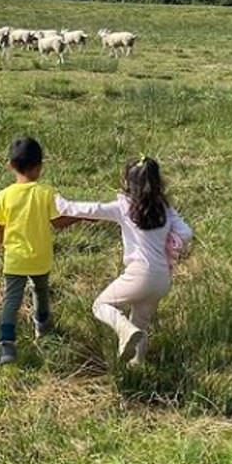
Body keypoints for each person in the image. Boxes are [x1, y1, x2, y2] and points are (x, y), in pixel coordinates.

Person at [57, 156, 192, 366]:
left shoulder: (124, 207)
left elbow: (92, 209)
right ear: (158, 182)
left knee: (101, 305)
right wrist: (170, 242)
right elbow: (186, 232)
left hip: (140, 274)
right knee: (141, 324)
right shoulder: (165, 208)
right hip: (162, 278)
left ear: (127, 183)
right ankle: (137, 368)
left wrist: (61, 204)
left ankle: (124, 329)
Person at [0, 137, 76, 365]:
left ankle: (7, 345)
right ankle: (43, 329)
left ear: (10, 165)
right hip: (40, 258)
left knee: (11, 301)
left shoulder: (5, 194)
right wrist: (80, 216)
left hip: (15, 260)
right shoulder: (46, 192)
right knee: (41, 291)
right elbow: (58, 222)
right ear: (40, 166)